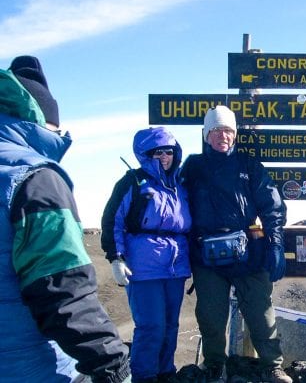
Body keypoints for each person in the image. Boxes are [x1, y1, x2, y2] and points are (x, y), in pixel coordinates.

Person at [0, 56, 131, 382]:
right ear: (44, 121)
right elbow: (62, 288)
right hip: (27, 364)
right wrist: (113, 365)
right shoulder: (34, 179)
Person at [181, 105, 291, 383]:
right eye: (216, 130)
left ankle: (272, 366)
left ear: (235, 135)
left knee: (260, 311)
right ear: (206, 134)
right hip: (206, 256)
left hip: (248, 253)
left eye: (228, 130)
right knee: (210, 316)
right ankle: (215, 365)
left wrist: (276, 245)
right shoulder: (192, 167)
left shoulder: (249, 166)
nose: (223, 136)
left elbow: (273, 208)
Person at [101, 126, 192, 383]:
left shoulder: (180, 186)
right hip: (143, 266)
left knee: (171, 326)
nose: (165, 157)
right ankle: (144, 376)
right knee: (151, 325)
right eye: (158, 152)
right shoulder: (132, 182)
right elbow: (113, 220)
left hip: (175, 266)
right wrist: (116, 257)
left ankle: (165, 372)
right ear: (145, 154)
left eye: (169, 151)